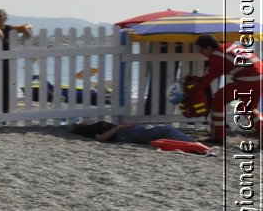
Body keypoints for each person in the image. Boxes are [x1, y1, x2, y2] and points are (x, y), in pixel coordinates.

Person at [194, 34, 262, 143]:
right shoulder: (229, 46)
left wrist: (194, 88)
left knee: (217, 100)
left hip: (248, 78)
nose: (201, 53)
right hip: (259, 75)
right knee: (248, 108)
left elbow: (209, 78)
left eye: (201, 50)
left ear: (208, 48)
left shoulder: (216, 56)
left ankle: (218, 136)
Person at [71, 120, 212, 153]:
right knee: (166, 131)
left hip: (127, 132)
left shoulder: (95, 124)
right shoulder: (90, 130)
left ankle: (193, 146)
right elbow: (100, 139)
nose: (87, 120)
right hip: (123, 134)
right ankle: (197, 146)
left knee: (163, 132)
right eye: (83, 122)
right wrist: (119, 127)